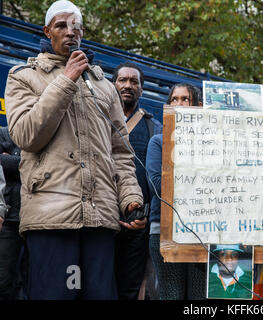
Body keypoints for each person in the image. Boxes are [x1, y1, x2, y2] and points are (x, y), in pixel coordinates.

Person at [4, 0, 143, 300]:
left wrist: (130, 199)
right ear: (47, 32)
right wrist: (66, 80)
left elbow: (121, 152)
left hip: (100, 219)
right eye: (61, 26)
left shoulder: (104, 86)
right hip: (51, 218)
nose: (71, 32)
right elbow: (26, 135)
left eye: (76, 26)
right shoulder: (23, 76)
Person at [147, 83, 206, 300]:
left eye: (185, 99)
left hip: (203, 230)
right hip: (164, 228)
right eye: (174, 99)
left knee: (199, 296)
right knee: (171, 293)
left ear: (199, 106)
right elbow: (156, 184)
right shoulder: (158, 141)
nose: (179, 104)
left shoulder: (212, 144)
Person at [112, 62, 162, 300]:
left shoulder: (155, 128)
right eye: (122, 80)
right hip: (101, 220)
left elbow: (159, 179)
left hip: (137, 224)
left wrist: (146, 213)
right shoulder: (97, 121)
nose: (128, 85)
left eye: (134, 81)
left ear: (142, 89)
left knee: (130, 288)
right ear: (113, 85)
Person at [0, 127, 24, 300]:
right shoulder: (3, 133)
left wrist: (13, 160)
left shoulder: (45, 133)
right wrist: (27, 162)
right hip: (9, 218)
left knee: (34, 280)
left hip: (38, 219)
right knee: (4, 281)